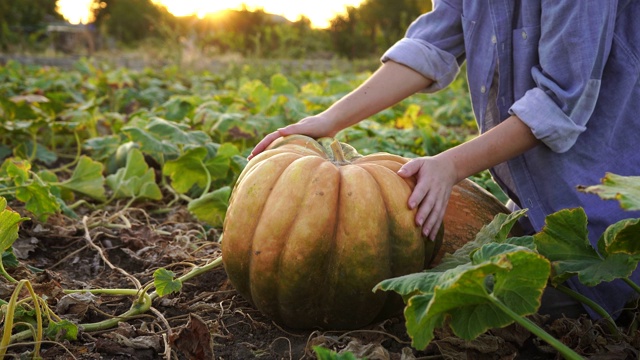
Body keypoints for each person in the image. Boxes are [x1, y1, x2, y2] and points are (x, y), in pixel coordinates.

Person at [249, 1, 640, 320]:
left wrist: (449, 165)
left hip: (603, 208)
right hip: (532, 199)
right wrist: (330, 119)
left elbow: (557, 103)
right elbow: (431, 45)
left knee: (486, 307)